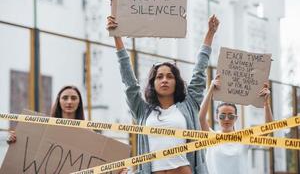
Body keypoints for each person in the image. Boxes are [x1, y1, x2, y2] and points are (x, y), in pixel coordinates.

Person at [107, 15, 219, 174]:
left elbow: (199, 72)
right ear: (153, 83)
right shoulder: (142, 110)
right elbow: (129, 82)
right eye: (159, 77)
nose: (164, 80)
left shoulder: (189, 105)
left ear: (176, 82)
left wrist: (210, 34)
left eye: (169, 76)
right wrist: (116, 36)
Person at [7, 85, 128, 174]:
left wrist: (119, 170)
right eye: (65, 98)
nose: (69, 101)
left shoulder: (89, 134)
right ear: (59, 101)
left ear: (79, 102)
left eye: (73, 98)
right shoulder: (44, 128)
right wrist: (15, 141)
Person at [199, 75, 273, 174]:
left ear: (236, 118)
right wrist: (211, 89)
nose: (226, 119)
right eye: (222, 116)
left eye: (231, 116)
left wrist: (266, 103)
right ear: (216, 118)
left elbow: (268, 129)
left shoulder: (244, 138)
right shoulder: (211, 136)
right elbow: (201, 118)